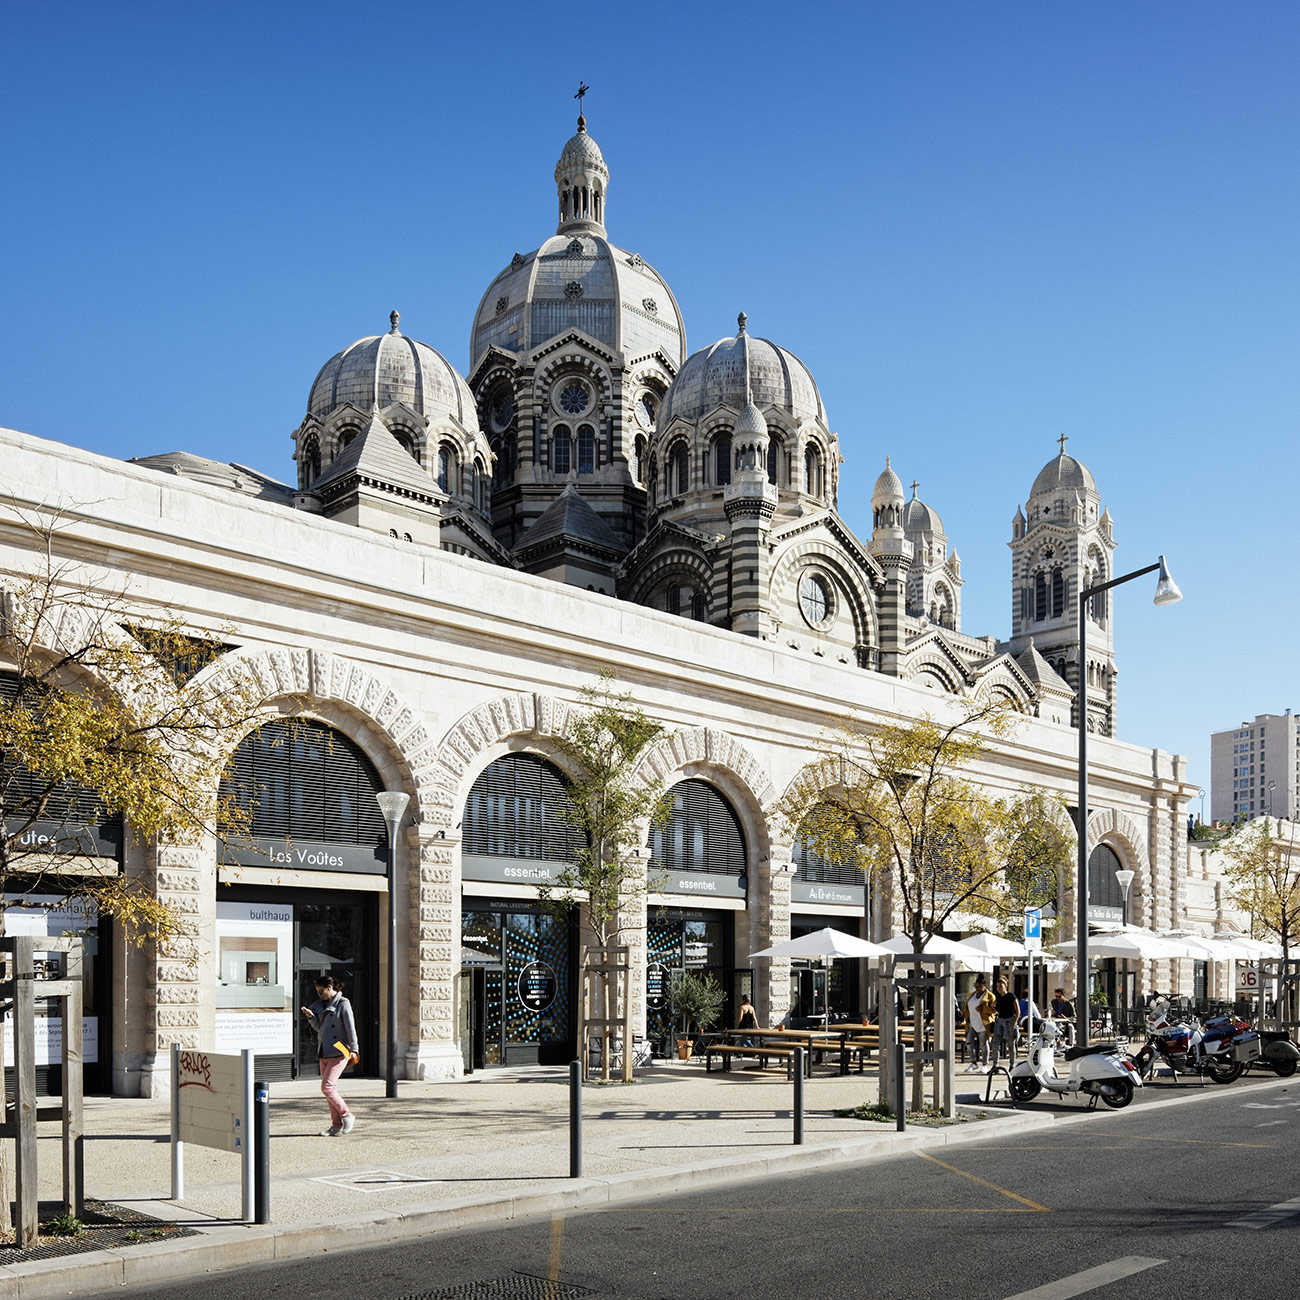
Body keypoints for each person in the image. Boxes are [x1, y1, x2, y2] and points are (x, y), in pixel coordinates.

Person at [301, 975, 359, 1136]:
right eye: (318, 993)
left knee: (327, 1087)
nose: (319, 995)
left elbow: (350, 1028)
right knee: (329, 1090)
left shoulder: (343, 1004)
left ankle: (347, 1115)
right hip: (324, 1051)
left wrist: (354, 1049)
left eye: (321, 992)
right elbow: (320, 1028)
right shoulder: (323, 1005)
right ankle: (336, 1125)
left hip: (340, 1051)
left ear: (329, 987)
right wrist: (311, 1017)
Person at [964, 976, 995, 1071]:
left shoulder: (990, 996)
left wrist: (983, 1009)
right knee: (968, 1042)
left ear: (984, 986)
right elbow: (967, 1008)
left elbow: (994, 1010)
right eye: (975, 986)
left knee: (983, 1045)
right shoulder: (971, 995)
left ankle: (984, 1064)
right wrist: (962, 1016)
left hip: (983, 1024)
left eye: (979, 986)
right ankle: (973, 1062)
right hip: (972, 1023)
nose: (977, 989)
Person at [991, 976, 1020, 1068]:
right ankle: (995, 1064)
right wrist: (993, 1005)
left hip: (1009, 1020)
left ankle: (1012, 1064)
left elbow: (1017, 1011)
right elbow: (996, 1009)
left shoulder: (1011, 996)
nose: (999, 988)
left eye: (1001, 986)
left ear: (1006, 986)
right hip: (1000, 1021)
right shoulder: (998, 998)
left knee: (1010, 1044)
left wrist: (1013, 1023)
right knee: (995, 1043)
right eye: (997, 987)